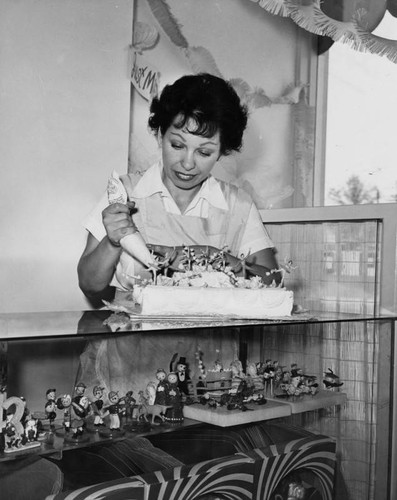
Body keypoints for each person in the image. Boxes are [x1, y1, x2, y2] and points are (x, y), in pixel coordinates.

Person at [77, 73, 280, 305]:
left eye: (204, 152)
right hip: (132, 335)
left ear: (222, 151)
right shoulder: (126, 193)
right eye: (177, 145)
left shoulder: (237, 204)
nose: (187, 163)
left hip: (212, 340)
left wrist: (215, 258)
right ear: (160, 134)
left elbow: (273, 286)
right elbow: (89, 286)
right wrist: (112, 243)